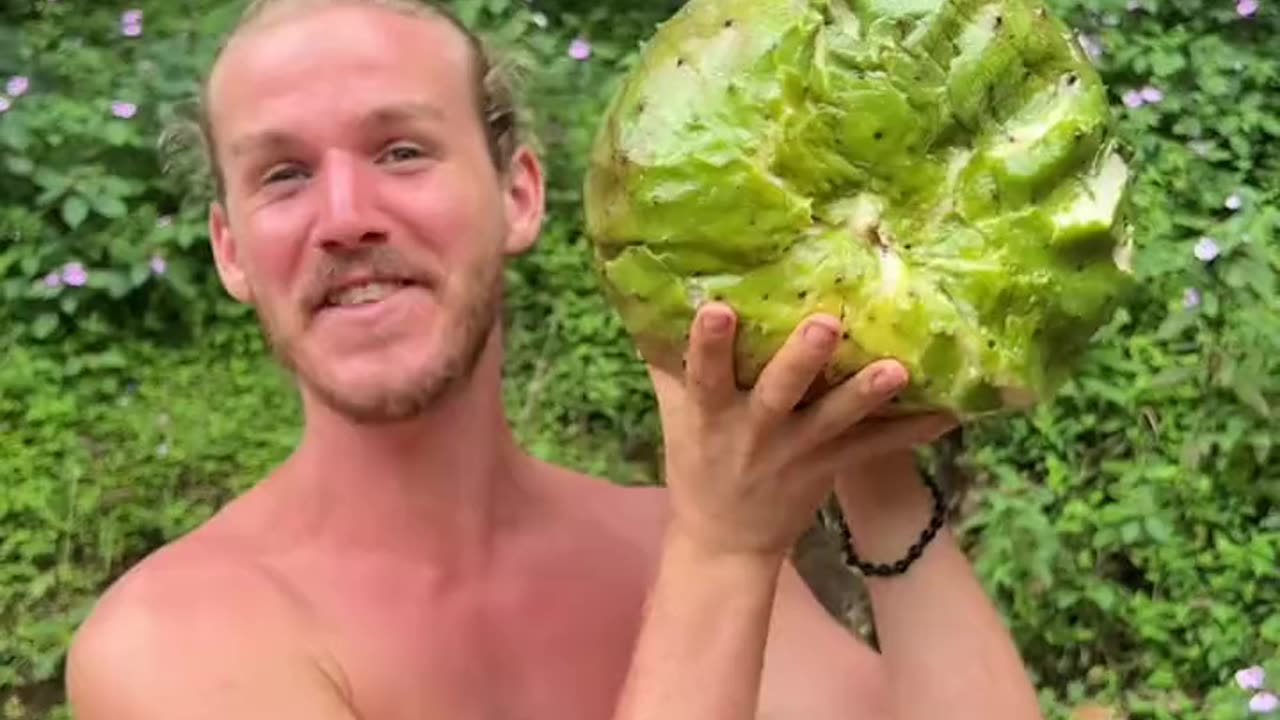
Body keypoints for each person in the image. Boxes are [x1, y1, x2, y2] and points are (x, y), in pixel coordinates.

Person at [64, 1, 1045, 718]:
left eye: (401, 151)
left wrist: (863, 446)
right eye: (282, 175)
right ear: (231, 249)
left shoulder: (660, 544)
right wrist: (722, 553)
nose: (344, 219)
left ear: (519, 196)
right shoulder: (169, 644)